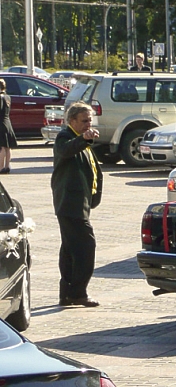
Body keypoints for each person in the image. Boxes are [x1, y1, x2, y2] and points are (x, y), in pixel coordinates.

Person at [51, 102, 102, 308]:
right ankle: (78, 293)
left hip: (79, 204)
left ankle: (67, 294)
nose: (88, 124)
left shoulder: (82, 140)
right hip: (69, 204)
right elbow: (66, 150)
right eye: (84, 121)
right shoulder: (65, 137)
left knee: (70, 249)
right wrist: (83, 139)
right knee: (85, 247)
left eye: (90, 120)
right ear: (72, 120)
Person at [0, 79, 17, 173]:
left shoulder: (0, 97)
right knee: (7, 147)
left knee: (1, 147)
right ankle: (7, 166)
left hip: (1, 123)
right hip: (7, 122)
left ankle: (1, 167)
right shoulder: (8, 97)